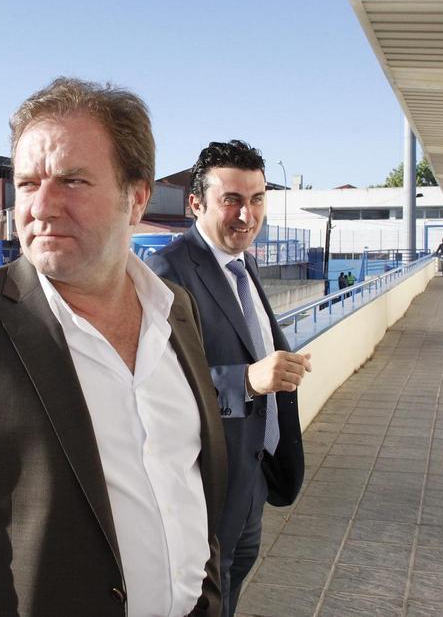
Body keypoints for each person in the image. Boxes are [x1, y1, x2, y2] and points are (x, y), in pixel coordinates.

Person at [0, 77, 227, 616]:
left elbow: (191, 481)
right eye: (27, 183)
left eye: (72, 181)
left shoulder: (176, 309)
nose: (42, 206)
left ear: (136, 198)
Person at [146, 140, 311, 617]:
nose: (247, 214)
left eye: (257, 199)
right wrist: (248, 380)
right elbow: (156, 384)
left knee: (229, 601)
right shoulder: (167, 270)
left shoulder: (244, 261)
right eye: (232, 200)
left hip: (251, 478)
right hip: (205, 493)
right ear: (195, 203)